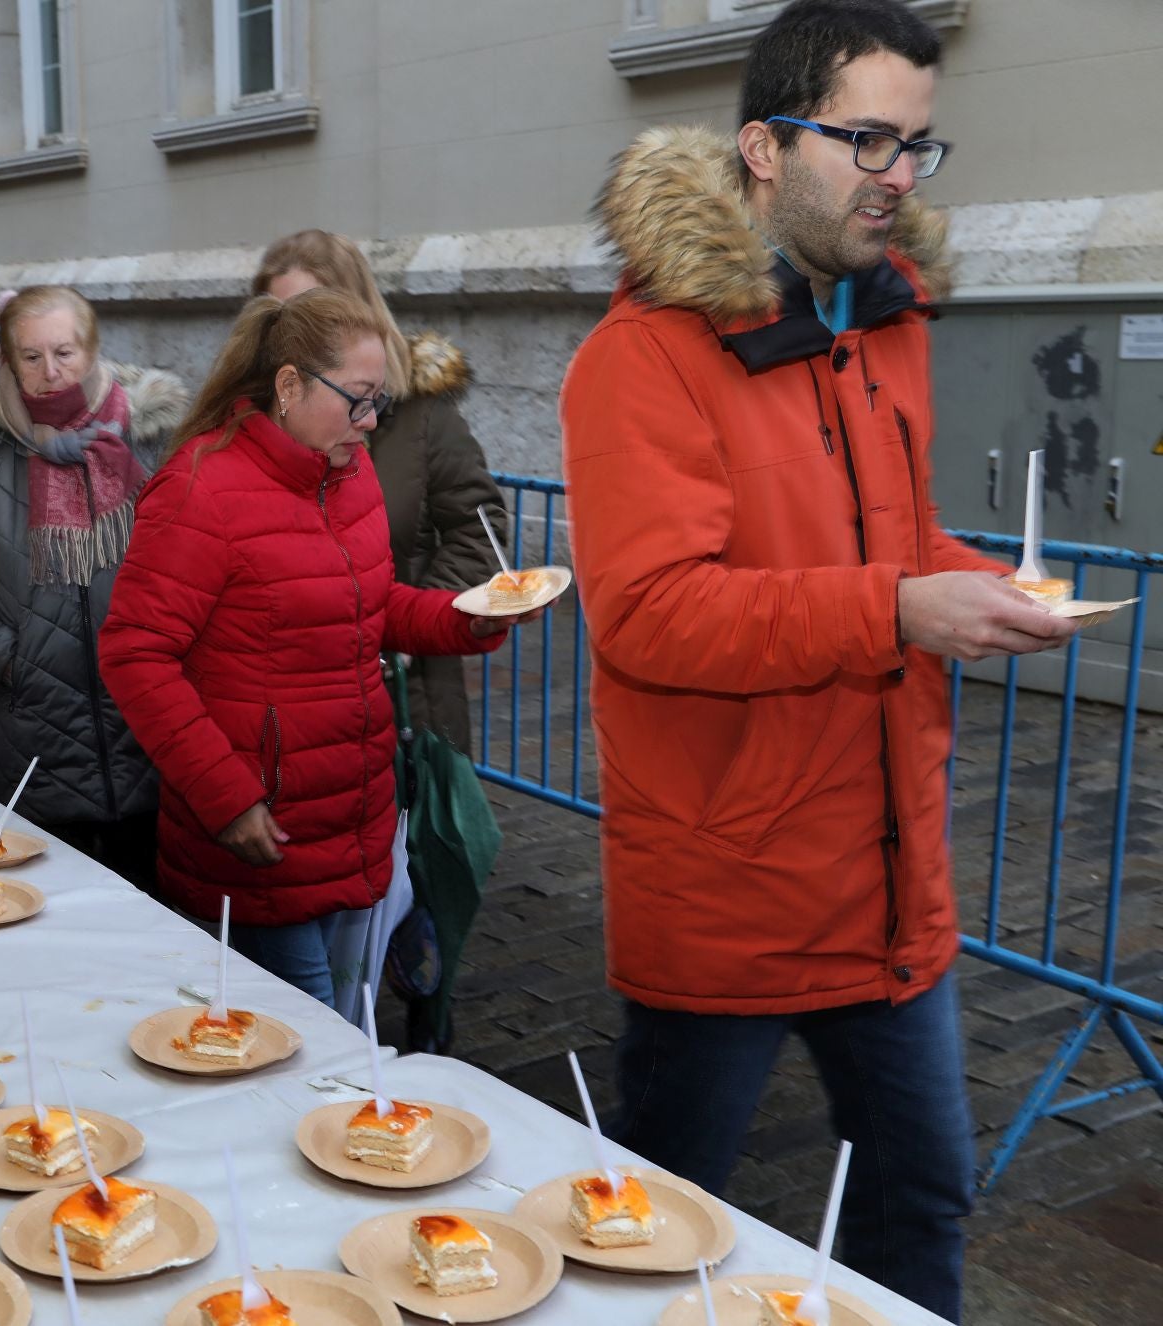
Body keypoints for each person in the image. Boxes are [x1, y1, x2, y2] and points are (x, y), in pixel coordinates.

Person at [559, 3, 1078, 1318]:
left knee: (926, 1202)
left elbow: (889, 540)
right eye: (866, 138)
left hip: (894, 890)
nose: (898, 173)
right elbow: (653, 616)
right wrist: (901, 608)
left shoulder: (890, 323)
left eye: (917, 144)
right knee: (655, 1230)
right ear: (761, 148)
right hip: (725, 898)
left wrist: (986, 582)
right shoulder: (640, 357)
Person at [99, 289, 530, 1006]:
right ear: (289, 385)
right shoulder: (201, 489)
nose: (369, 424)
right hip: (262, 835)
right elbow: (135, 654)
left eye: (379, 403)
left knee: (328, 1024)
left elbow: (368, 605)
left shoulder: (347, 473)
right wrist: (226, 798)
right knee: (305, 1044)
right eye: (357, 400)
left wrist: (464, 617)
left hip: (350, 811)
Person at [0, 286, 187, 890]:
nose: (50, 372)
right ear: (9, 362)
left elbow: (193, 555)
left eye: (64, 352)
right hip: (36, 722)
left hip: (148, 714)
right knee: (58, 906)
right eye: (31, 356)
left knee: (158, 918)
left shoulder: (151, 438)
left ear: (93, 351)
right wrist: (7, 657)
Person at [253, 230, 503, 750]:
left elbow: (480, 533)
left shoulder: (422, 416)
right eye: (276, 317)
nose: (289, 335)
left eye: (307, 311)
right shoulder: (251, 425)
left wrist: (411, 625)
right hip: (291, 715)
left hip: (406, 702)